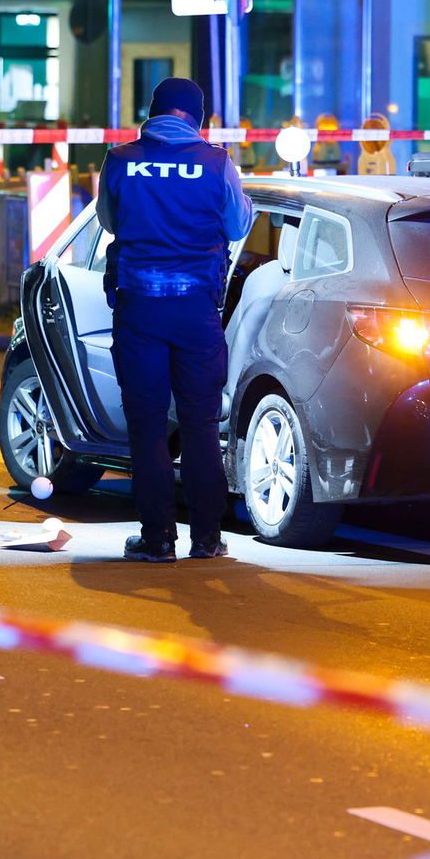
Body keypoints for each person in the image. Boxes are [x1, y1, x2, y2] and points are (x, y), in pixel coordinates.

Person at [97, 77, 252, 562]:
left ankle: (158, 538)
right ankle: (207, 538)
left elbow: (108, 220)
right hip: (195, 311)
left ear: (153, 111)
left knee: (145, 426)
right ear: (198, 117)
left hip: (140, 308)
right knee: (201, 424)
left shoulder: (121, 160)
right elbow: (240, 225)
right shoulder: (216, 162)